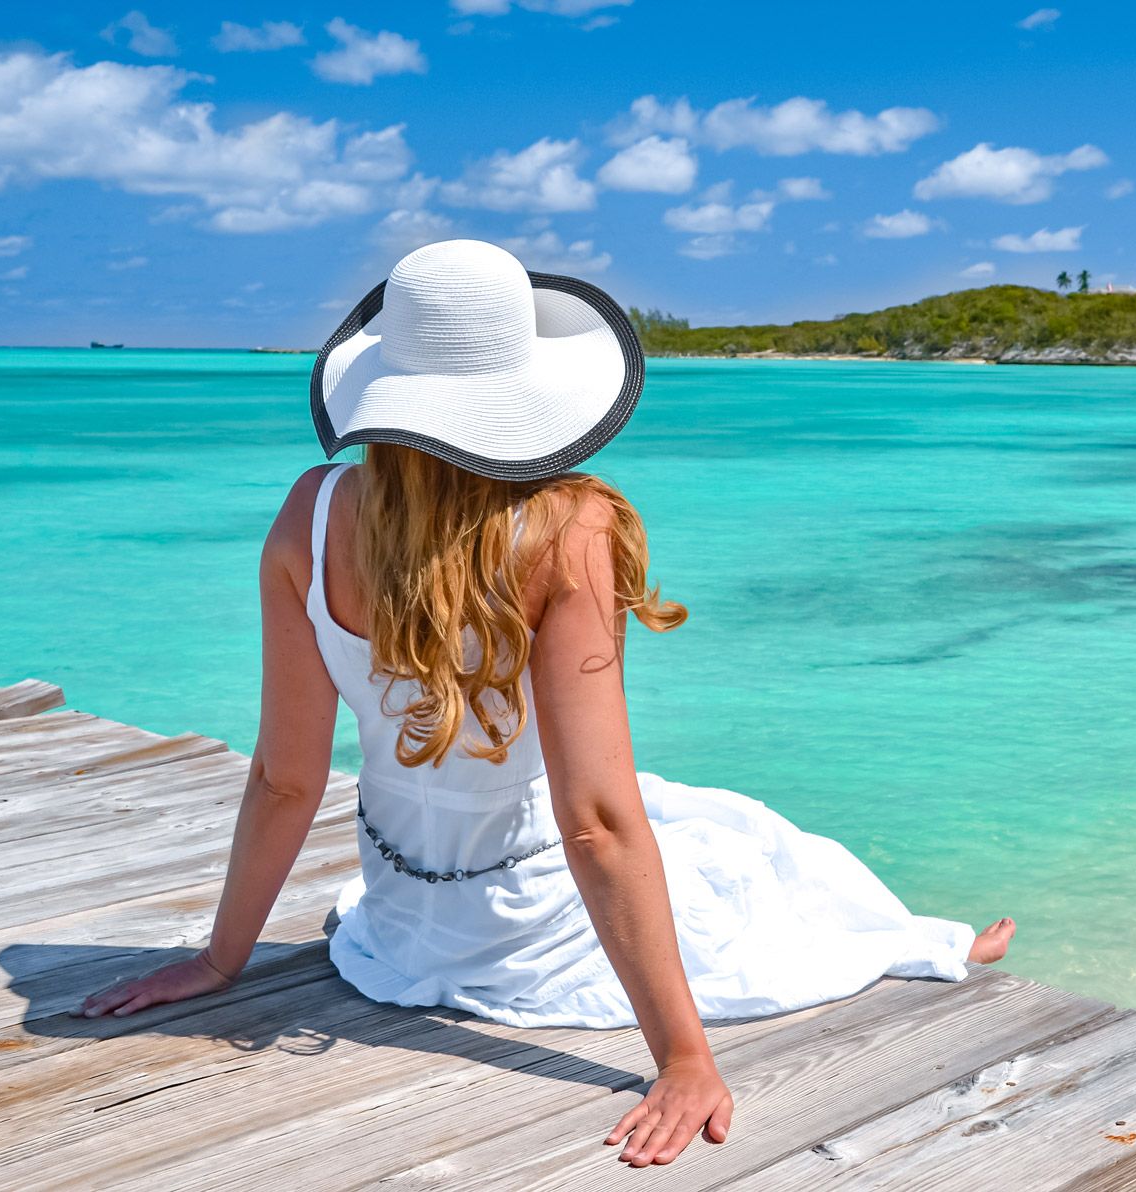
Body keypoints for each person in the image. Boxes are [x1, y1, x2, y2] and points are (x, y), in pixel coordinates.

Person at [73, 240, 1016, 1169]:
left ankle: (928, 942)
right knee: (745, 847)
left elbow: (287, 780)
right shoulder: (570, 526)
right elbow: (596, 822)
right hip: (533, 934)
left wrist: (219, 963)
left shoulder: (311, 513)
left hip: (403, 923)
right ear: (524, 387)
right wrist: (684, 1060)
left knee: (710, 824)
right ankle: (932, 944)